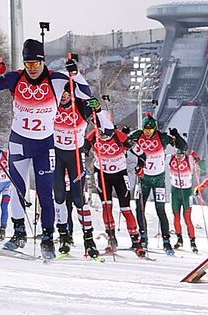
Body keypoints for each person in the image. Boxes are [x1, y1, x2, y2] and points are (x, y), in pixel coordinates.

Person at [0, 39, 88, 259]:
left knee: (46, 193)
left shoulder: (56, 79)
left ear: (43, 61)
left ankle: (47, 237)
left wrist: (76, 74)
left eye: (36, 63)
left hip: (45, 145)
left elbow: (85, 94)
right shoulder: (15, 77)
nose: (32, 68)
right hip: (19, 142)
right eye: (28, 64)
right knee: (17, 189)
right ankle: (18, 233)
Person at [49, 80, 100, 258]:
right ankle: (63, 236)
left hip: (75, 156)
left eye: (67, 94)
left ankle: (89, 239)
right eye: (61, 94)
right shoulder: (52, 104)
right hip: (56, 155)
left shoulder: (81, 105)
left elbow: (103, 126)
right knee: (60, 197)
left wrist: (98, 108)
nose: (63, 97)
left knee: (79, 199)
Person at [89, 109, 146, 257]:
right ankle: (111, 239)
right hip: (102, 174)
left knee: (126, 208)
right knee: (106, 206)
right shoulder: (93, 136)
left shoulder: (119, 136)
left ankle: (136, 241)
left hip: (119, 174)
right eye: (100, 132)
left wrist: (140, 165)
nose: (102, 136)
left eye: (105, 133)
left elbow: (141, 153)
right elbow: (81, 149)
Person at [129, 116, 175, 255]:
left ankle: (166, 241)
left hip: (158, 179)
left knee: (160, 209)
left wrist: (176, 137)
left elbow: (183, 147)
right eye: (145, 129)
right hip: (143, 178)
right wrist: (125, 134)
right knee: (139, 207)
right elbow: (124, 141)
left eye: (150, 129)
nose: (147, 132)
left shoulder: (162, 137)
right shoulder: (138, 135)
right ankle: (143, 237)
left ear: (154, 128)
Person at [165, 129, 202, 253]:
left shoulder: (189, 159)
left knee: (187, 218)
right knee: (176, 217)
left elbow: (203, 167)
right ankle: (179, 239)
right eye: (178, 155)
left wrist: (198, 160)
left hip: (186, 193)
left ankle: (193, 241)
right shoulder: (170, 158)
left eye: (182, 155)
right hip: (175, 192)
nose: (180, 157)